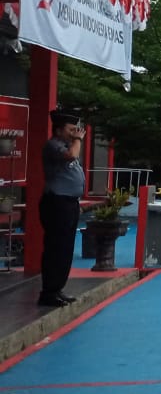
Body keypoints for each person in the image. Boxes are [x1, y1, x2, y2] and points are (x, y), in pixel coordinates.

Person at [37, 110, 86, 308]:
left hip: (69, 203)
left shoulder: (67, 144)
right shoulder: (54, 145)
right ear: (58, 130)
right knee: (56, 248)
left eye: (76, 129)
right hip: (56, 202)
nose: (75, 132)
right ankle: (48, 292)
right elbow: (71, 155)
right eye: (70, 129)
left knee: (66, 249)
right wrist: (78, 139)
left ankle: (58, 289)